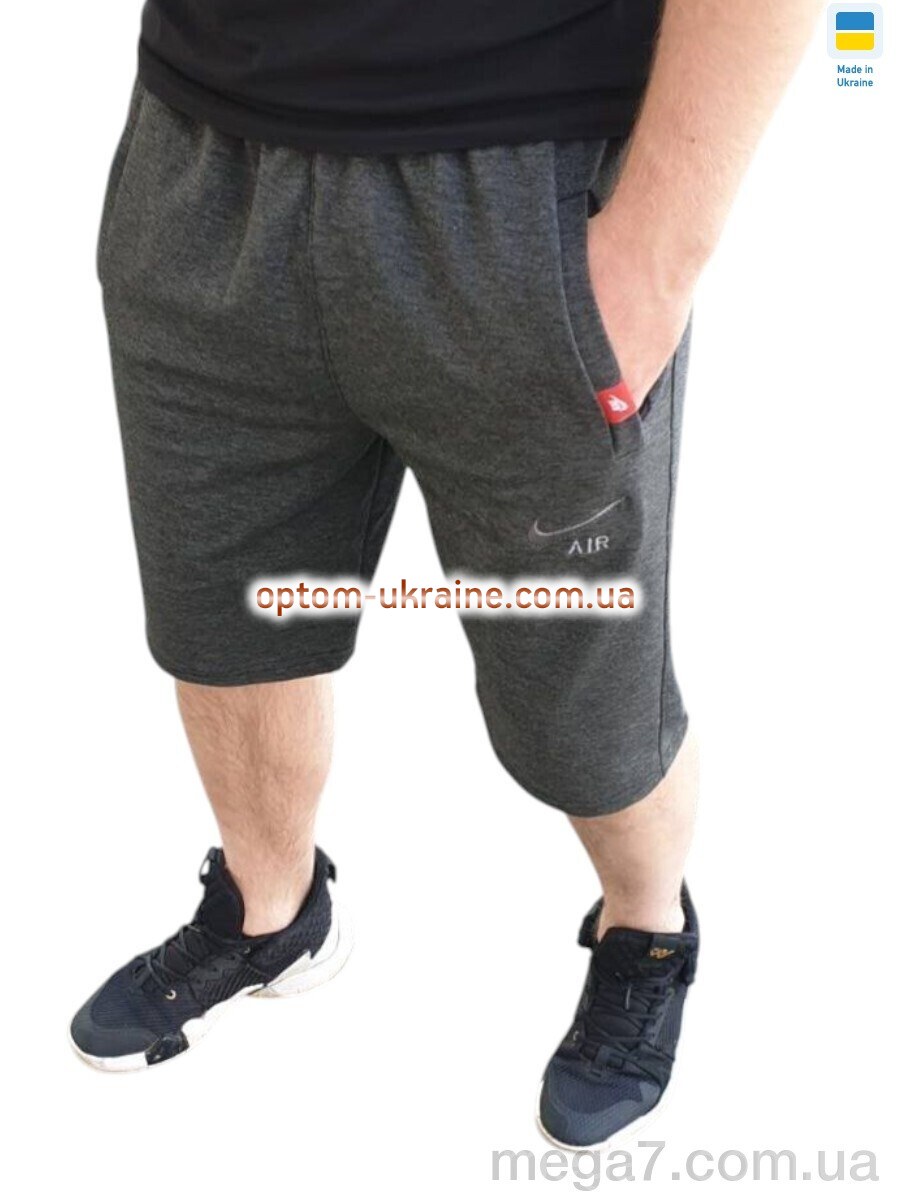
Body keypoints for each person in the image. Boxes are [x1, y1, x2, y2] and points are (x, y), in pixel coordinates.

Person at [70, 0, 820, 1149]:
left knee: (581, 709)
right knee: (220, 628)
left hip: (517, 191)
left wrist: (656, 257)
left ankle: (648, 927)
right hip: (204, 160)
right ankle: (270, 913)